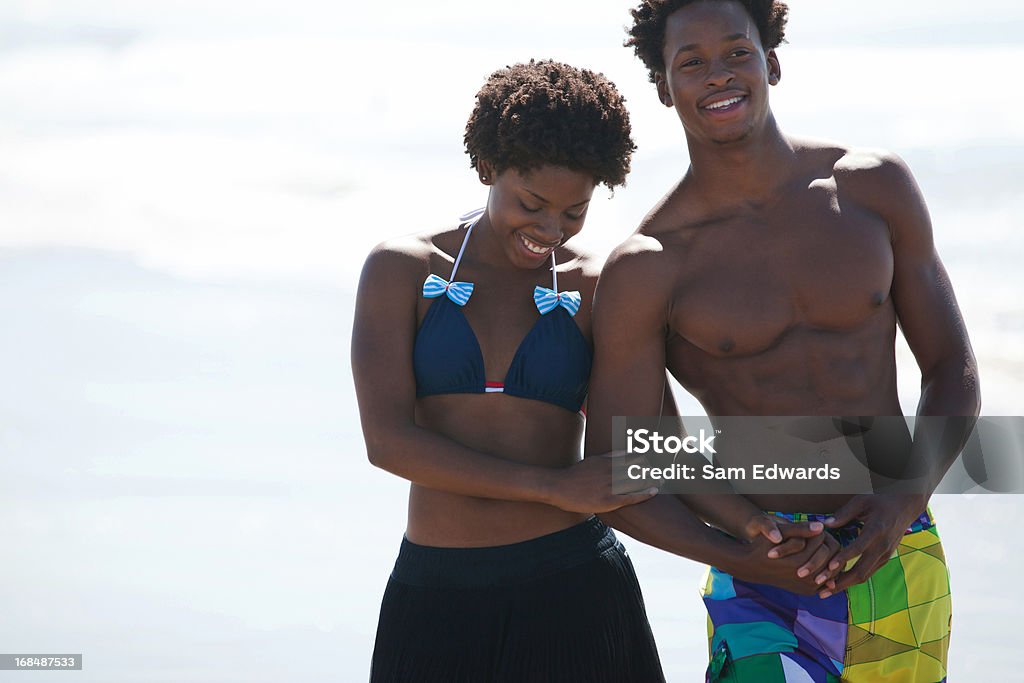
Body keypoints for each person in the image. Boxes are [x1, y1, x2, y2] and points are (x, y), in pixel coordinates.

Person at [584, 1, 981, 681]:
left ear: (771, 62)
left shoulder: (871, 188)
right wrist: (739, 547)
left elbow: (952, 368)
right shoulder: (651, 264)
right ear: (663, 86)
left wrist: (904, 496)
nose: (719, 75)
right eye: (692, 62)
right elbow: (623, 467)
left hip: (896, 544)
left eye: (737, 52)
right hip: (762, 579)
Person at [352, 59, 667, 682]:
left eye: (574, 212)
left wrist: (831, 478)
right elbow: (387, 443)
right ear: (487, 168)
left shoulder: (597, 286)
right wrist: (552, 486)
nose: (550, 230)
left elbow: (656, 446)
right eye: (532, 203)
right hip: (434, 596)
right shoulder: (401, 270)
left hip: (572, 588)